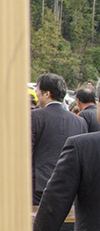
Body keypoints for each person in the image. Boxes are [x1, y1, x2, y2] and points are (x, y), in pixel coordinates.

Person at [33, 73, 86, 204]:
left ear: (47, 94)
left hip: (39, 185)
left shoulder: (34, 117)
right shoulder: (80, 122)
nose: (36, 94)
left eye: (38, 90)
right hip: (70, 185)